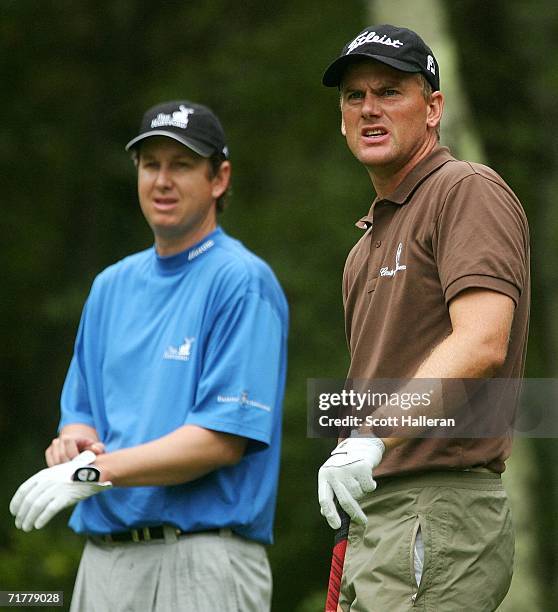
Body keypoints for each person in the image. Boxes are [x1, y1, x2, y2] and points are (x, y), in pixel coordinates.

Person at [10, 99, 288, 612]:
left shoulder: (241, 282)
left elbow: (218, 441)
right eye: (150, 164)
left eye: (181, 165)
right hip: (106, 562)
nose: (162, 180)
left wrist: (93, 473)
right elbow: (82, 415)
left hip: (203, 560)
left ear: (219, 179)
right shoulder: (109, 287)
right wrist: (73, 448)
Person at [316, 25, 530, 611]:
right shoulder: (362, 249)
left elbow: (483, 342)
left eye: (389, 91)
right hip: (378, 518)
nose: (369, 109)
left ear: (433, 108)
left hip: (437, 509)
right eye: (354, 97)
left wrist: (371, 439)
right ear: (341, 117)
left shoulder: (465, 189)